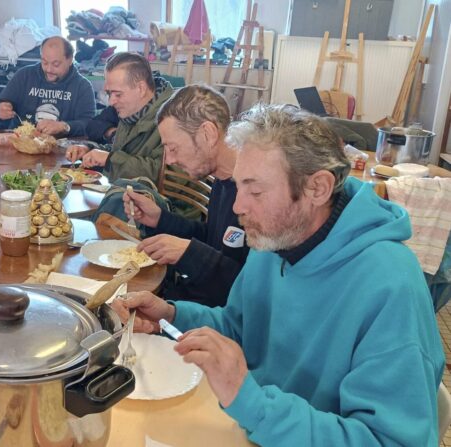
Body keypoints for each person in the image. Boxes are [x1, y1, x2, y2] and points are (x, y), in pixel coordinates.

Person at [113, 104, 444, 445]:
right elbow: (239, 327)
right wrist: (172, 316)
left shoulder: (391, 287)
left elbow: (394, 441)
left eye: (255, 192)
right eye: (238, 187)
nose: (239, 207)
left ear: (317, 188)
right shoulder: (275, 241)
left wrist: (251, 403)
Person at [123, 85, 248, 307]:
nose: (169, 160)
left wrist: (189, 253)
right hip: (191, 303)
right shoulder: (222, 178)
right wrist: (160, 219)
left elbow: (248, 288)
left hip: (216, 321)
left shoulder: (254, 194)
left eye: (173, 148)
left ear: (208, 134)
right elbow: (214, 240)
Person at [66, 52, 173, 182]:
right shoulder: (133, 110)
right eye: (109, 93)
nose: (111, 102)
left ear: (141, 88)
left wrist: (109, 160)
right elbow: (122, 151)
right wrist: (90, 150)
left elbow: (165, 176)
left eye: (118, 94)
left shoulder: (174, 118)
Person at [0, 36, 95, 137]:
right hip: (21, 144)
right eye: (44, 62)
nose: (49, 69)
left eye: (56, 64)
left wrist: (64, 126)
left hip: (62, 150)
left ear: (70, 60)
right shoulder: (24, 76)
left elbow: (89, 125)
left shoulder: (82, 87)